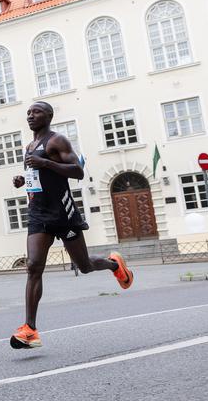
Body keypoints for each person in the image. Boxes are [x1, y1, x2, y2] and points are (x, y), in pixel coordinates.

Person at [10, 101, 134, 349]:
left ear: (49, 116)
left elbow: (77, 171)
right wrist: (23, 179)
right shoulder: (30, 146)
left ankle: (114, 264)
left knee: (85, 265)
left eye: (36, 112)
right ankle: (30, 329)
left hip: (62, 212)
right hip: (38, 212)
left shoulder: (57, 141)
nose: (30, 116)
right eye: (28, 113)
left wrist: (47, 163)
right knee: (33, 266)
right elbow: (39, 176)